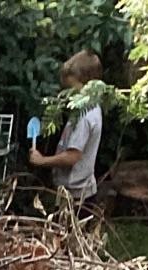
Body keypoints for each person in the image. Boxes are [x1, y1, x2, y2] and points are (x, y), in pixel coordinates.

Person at [29, 51, 104, 211]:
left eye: (72, 88)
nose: (69, 94)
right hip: (73, 191)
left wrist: (42, 161)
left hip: (77, 195)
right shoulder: (87, 108)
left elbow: (72, 156)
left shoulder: (85, 115)